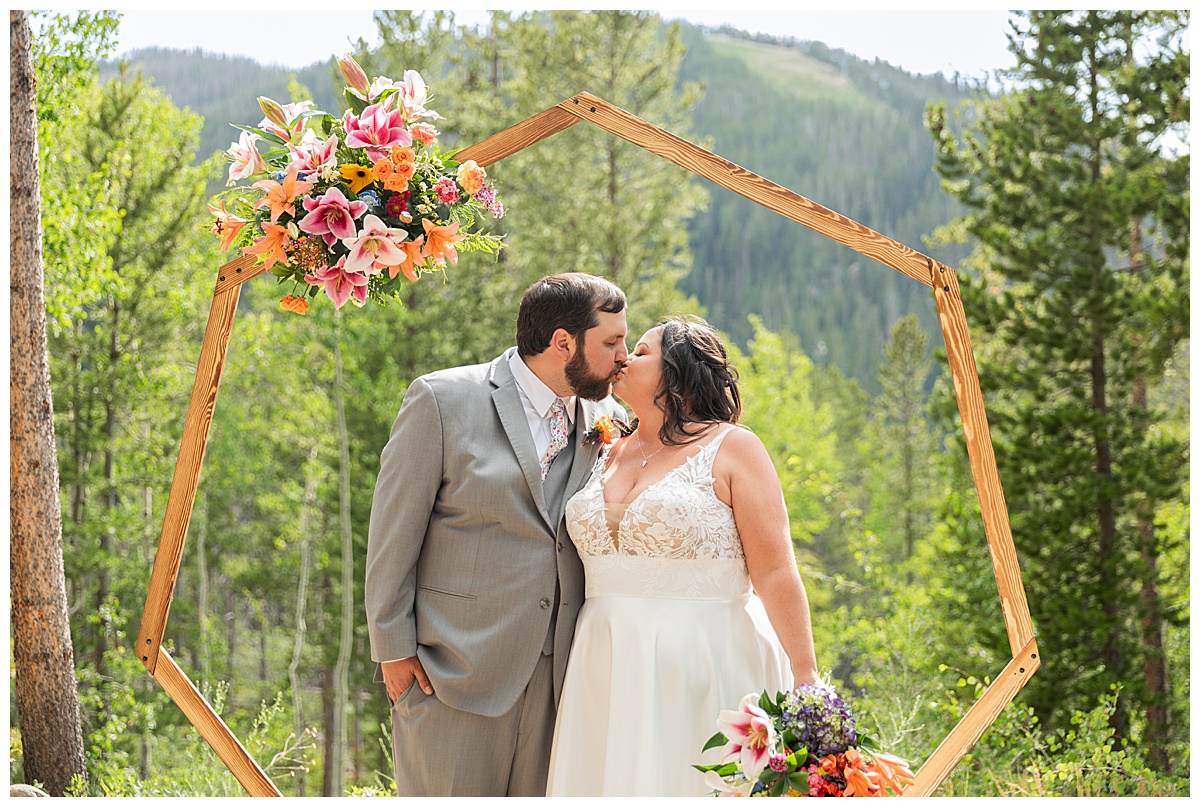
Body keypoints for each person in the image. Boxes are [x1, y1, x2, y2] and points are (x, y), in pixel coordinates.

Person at [364, 273, 629, 796]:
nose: (623, 356)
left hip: (562, 684)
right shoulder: (441, 401)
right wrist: (391, 648)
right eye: (612, 342)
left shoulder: (609, 417)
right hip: (452, 674)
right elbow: (393, 531)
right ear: (562, 343)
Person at [546, 315, 820, 796]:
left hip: (704, 662)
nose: (625, 357)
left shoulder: (735, 448)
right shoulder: (601, 447)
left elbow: (776, 571)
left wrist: (806, 675)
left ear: (678, 372)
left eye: (643, 351)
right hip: (604, 660)